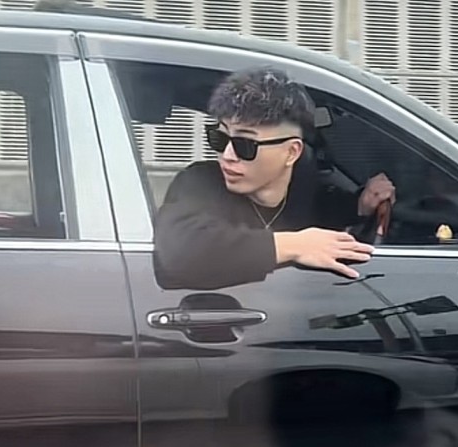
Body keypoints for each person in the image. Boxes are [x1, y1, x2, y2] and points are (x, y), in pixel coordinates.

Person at [153, 67, 395, 290]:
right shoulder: (200, 182)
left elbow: (325, 207)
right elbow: (179, 253)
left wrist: (361, 205)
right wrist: (293, 246)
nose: (227, 155)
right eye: (220, 138)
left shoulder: (303, 186)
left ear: (291, 152)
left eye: (245, 144)